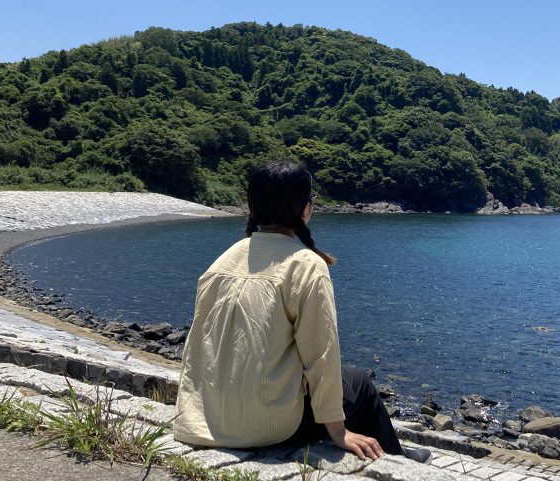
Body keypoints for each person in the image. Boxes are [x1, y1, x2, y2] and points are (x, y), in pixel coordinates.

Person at [172, 159, 428, 463]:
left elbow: (196, 347)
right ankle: (395, 459)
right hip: (265, 427)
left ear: (251, 206)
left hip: (203, 418)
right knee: (358, 382)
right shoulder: (307, 266)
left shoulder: (221, 263)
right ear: (305, 209)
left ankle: (391, 450)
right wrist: (338, 431)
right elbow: (321, 355)